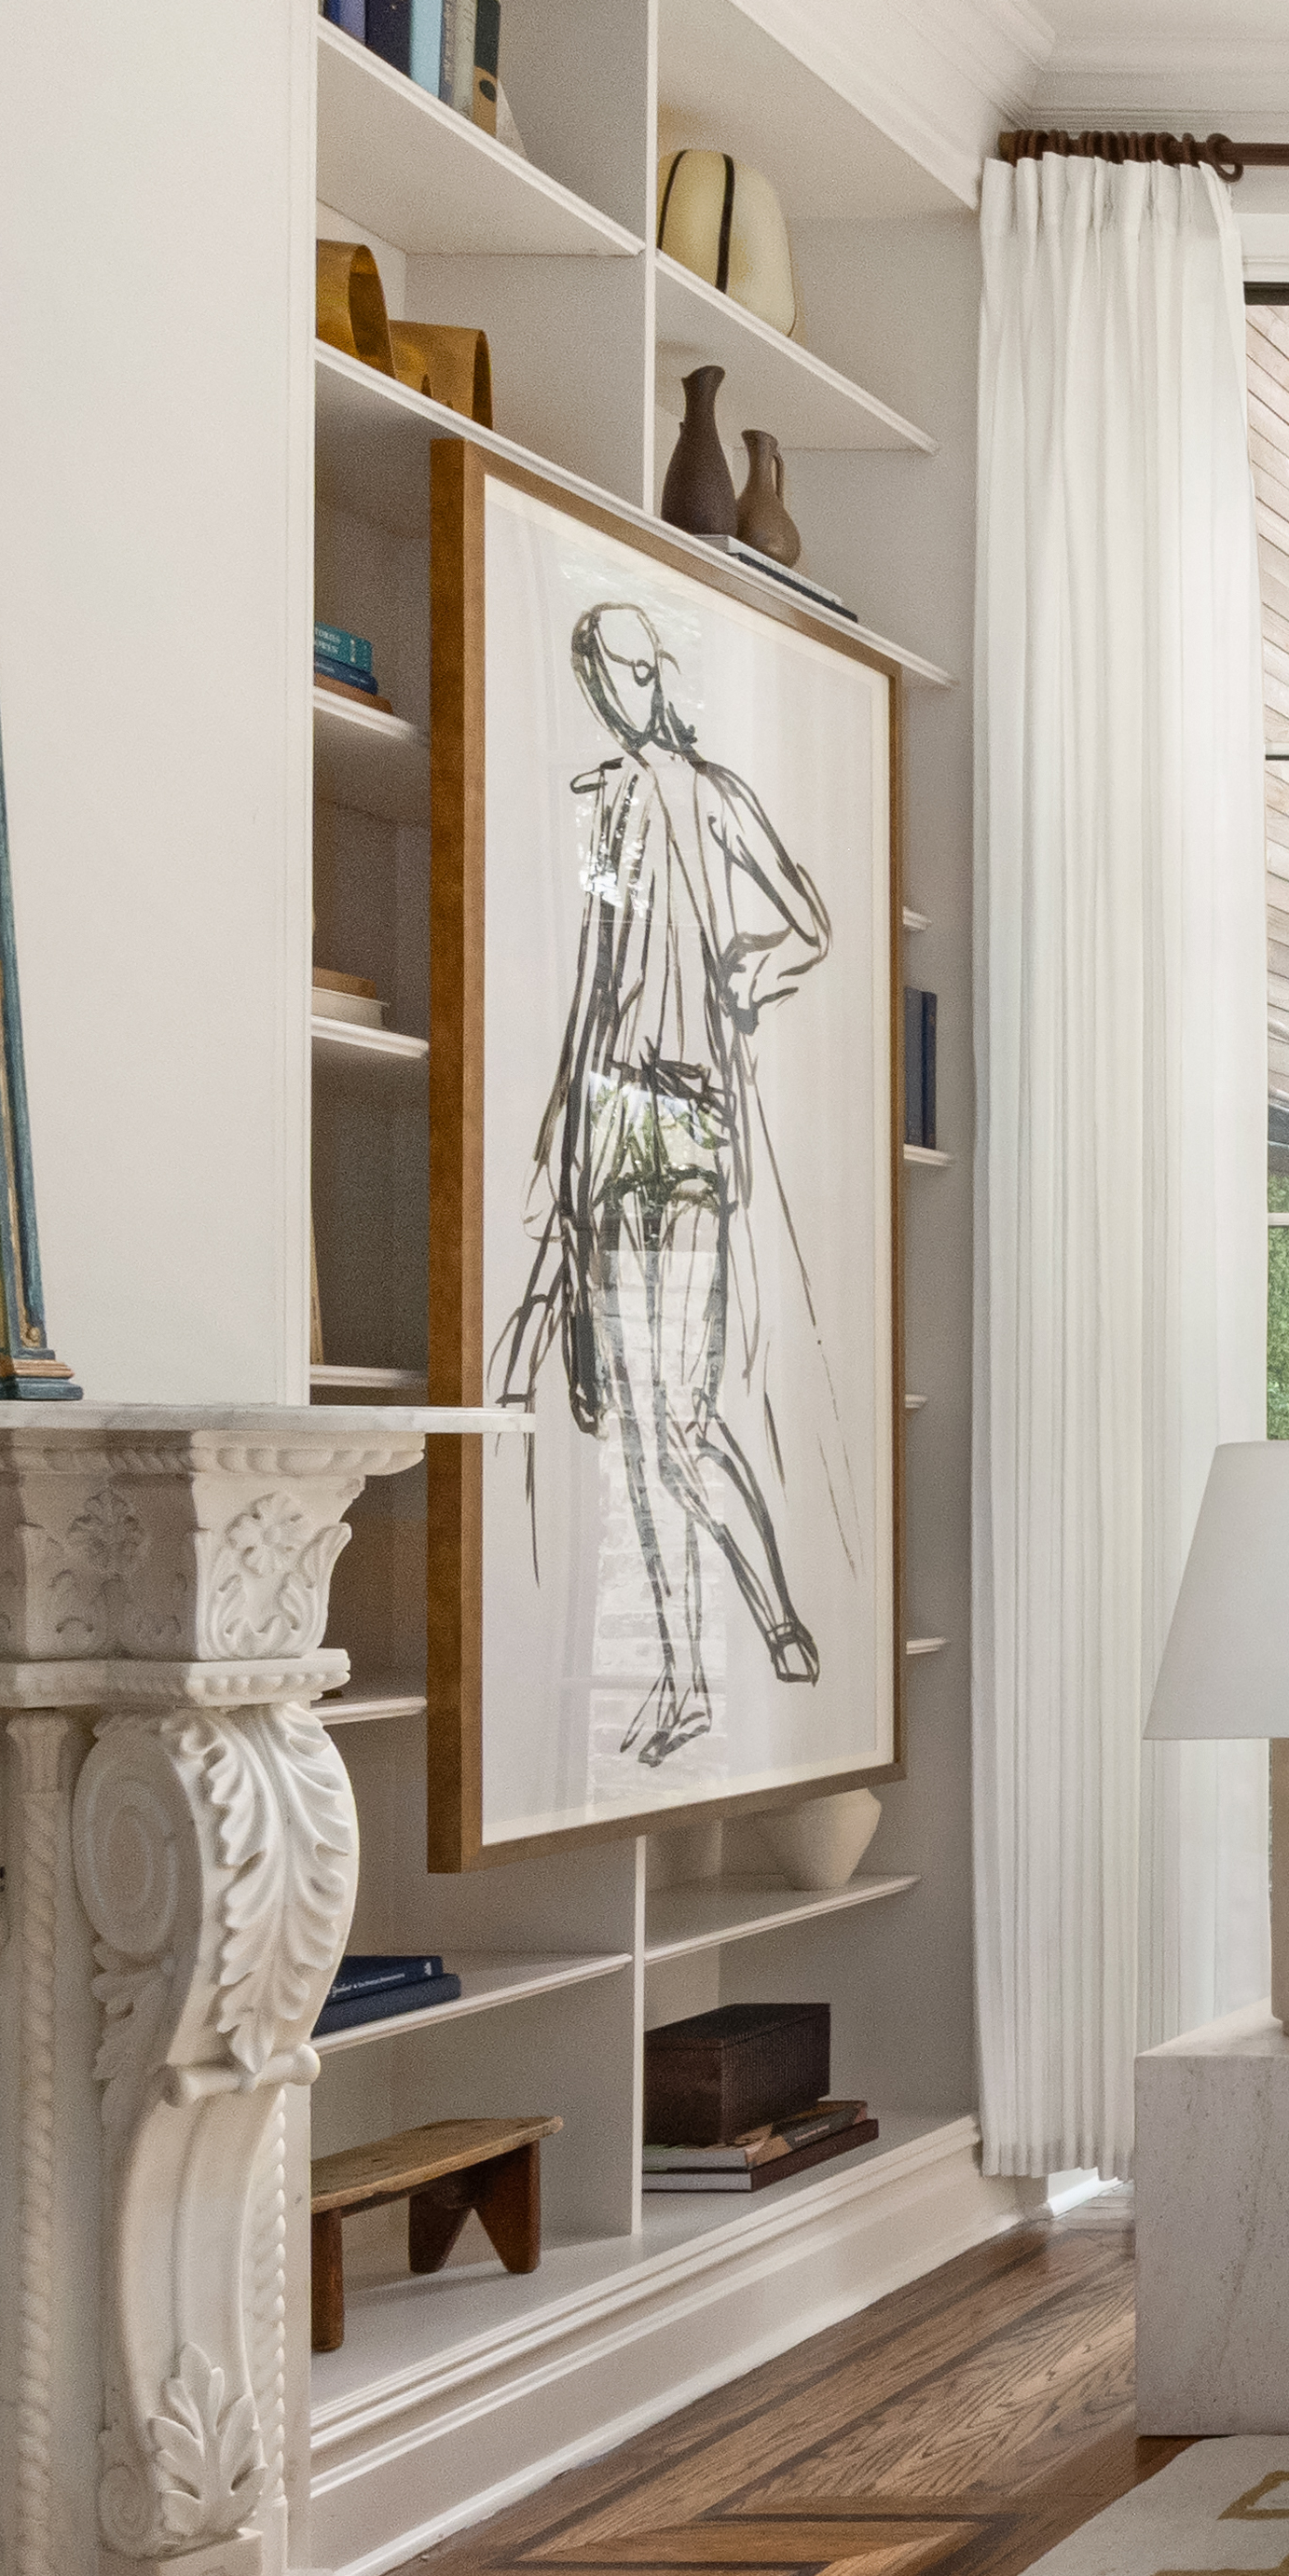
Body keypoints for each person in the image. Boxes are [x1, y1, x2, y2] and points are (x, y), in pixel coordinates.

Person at [494, 593, 832, 1761]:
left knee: (672, 1426)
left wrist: (745, 971)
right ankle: (696, 1671)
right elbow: (591, 986)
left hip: (677, 1129)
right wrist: (560, 1155)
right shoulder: (611, 807)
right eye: (598, 670)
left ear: (656, 678)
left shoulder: (696, 792)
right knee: (635, 1427)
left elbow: (805, 921)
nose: (615, 688)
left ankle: (767, 1622)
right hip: (613, 1128)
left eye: (629, 669)